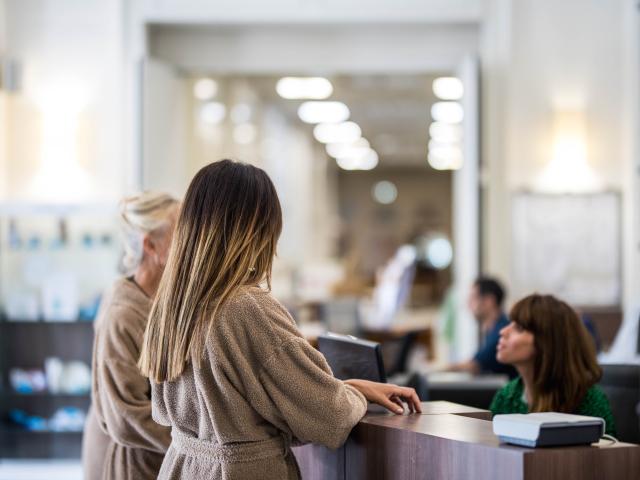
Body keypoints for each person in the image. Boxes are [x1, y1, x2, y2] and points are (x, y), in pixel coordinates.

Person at [138, 160, 421, 480]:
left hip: (181, 468)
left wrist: (348, 386)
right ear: (258, 229)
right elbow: (331, 416)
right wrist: (351, 395)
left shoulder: (172, 305)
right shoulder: (246, 307)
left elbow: (239, 405)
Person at [82, 192, 180, 480]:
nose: (192, 243)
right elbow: (126, 416)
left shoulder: (158, 300)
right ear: (152, 246)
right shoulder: (122, 314)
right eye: (182, 234)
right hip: (125, 464)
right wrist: (194, 444)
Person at [490, 294, 616, 436]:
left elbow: (608, 456)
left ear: (546, 342)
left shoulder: (589, 402)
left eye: (519, 328)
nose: (503, 331)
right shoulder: (507, 396)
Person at [449, 277, 517, 378]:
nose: (468, 303)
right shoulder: (492, 329)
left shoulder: (502, 331)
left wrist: (435, 368)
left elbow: (473, 365)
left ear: (489, 301)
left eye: (473, 297)